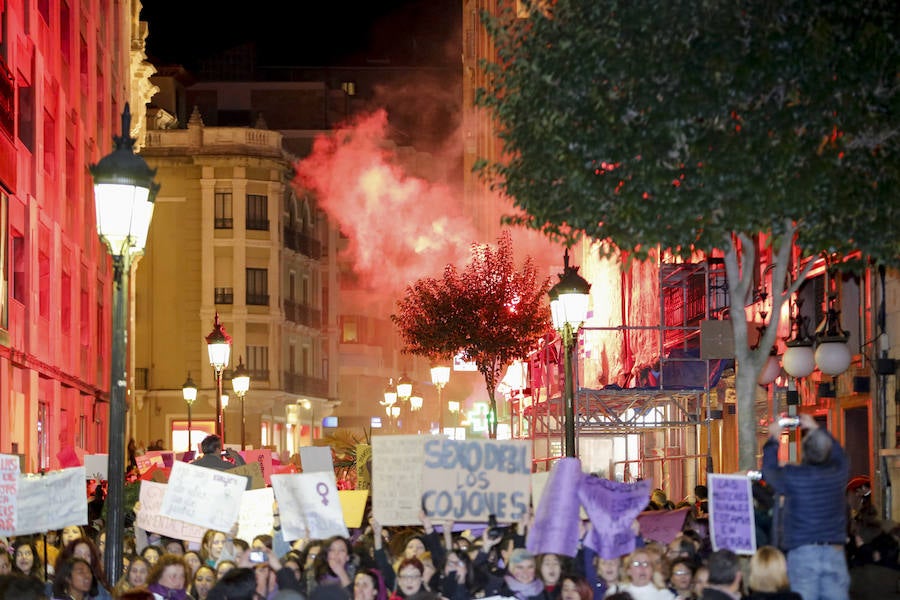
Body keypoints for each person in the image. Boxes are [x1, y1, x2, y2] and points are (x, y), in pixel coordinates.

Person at [762, 414, 849, 600]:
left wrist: (773, 439)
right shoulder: (837, 474)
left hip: (803, 550)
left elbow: (769, 471)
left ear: (804, 452)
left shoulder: (794, 476)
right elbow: (841, 455)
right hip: (835, 550)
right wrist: (818, 429)